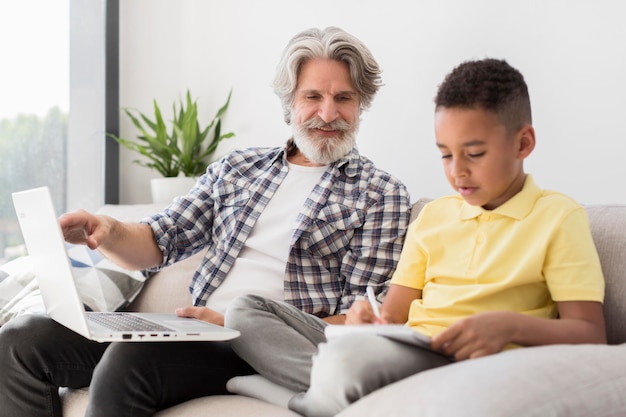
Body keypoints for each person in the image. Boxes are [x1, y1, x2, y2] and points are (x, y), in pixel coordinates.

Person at [0, 26, 411, 417]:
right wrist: (106, 230)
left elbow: (361, 320)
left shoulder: (380, 193)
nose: (328, 112)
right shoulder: (238, 169)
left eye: (344, 97)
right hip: (191, 330)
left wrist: (241, 324)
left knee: (134, 357)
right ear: (290, 102)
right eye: (313, 96)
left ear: (361, 105)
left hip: (258, 348)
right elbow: (160, 240)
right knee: (22, 341)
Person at [224, 58, 607, 417]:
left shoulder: (558, 217)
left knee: (348, 363)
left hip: (465, 361)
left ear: (522, 144)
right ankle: (329, 390)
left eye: (474, 154)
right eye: (445, 155)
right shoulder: (435, 216)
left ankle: (308, 397)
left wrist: (508, 326)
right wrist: (366, 319)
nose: (457, 172)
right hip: (408, 347)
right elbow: (393, 315)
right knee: (244, 311)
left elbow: (591, 334)